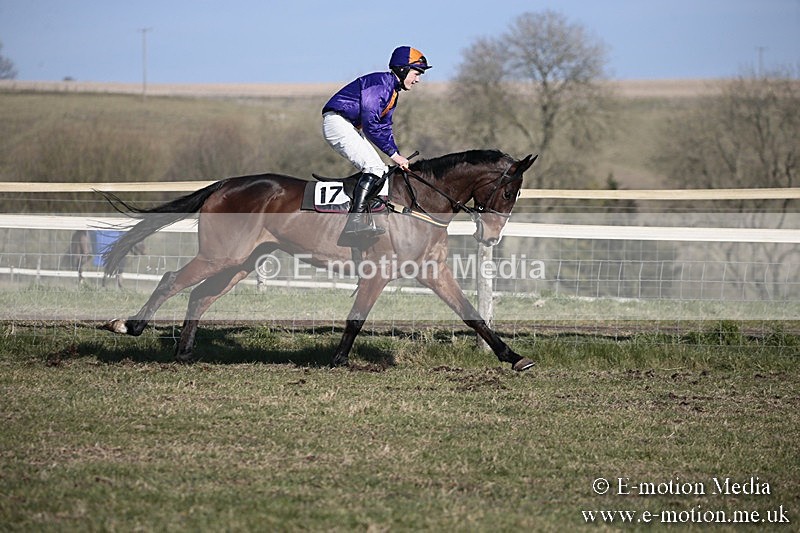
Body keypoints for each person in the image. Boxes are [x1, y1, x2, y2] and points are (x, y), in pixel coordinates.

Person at [322, 46, 432, 246]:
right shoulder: (380, 85)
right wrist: (394, 155)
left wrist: (396, 153)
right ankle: (354, 223)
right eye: (416, 73)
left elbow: (384, 127)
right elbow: (371, 124)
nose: (418, 80)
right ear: (402, 70)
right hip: (338, 123)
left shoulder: (392, 92)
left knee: (379, 169)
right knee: (375, 168)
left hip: (348, 125)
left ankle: (363, 217)